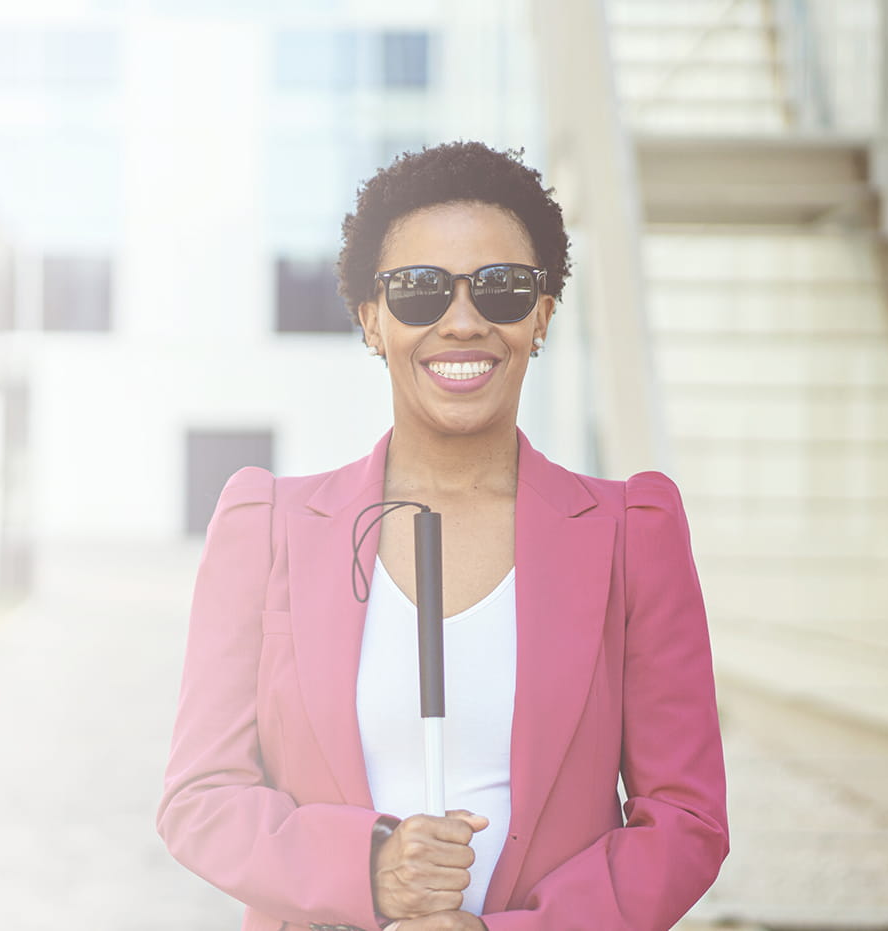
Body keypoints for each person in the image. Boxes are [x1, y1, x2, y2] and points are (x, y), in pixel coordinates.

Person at [157, 141, 728, 931]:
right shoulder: (269, 528)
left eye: (501, 289)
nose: (463, 321)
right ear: (372, 320)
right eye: (420, 291)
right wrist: (373, 868)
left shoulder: (633, 533)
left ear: (542, 316)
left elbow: (685, 822)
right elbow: (201, 799)